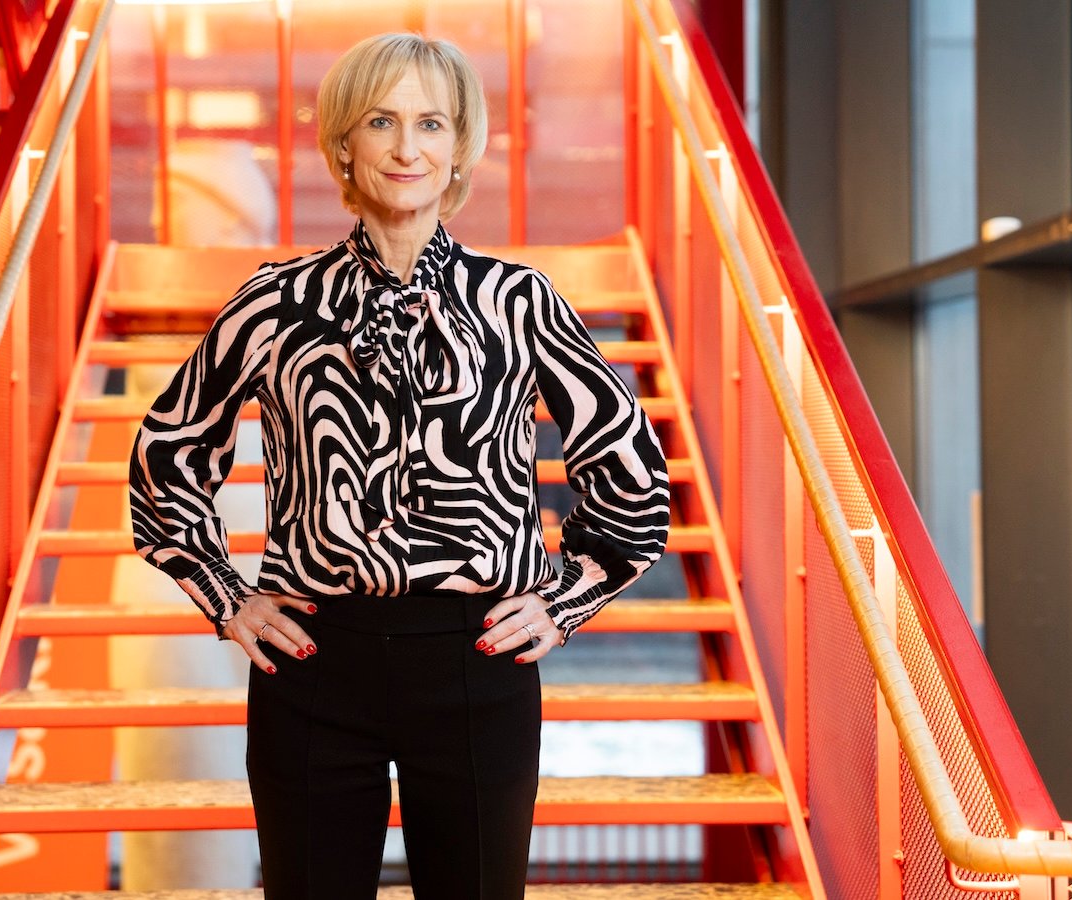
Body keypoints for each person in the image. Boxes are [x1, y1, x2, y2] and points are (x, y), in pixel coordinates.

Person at [127, 31, 672, 900]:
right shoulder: (275, 302)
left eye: (431, 123)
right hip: (313, 662)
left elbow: (631, 474)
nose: (407, 147)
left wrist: (565, 599)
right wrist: (228, 597)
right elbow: (168, 455)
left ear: (460, 147)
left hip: (475, 661)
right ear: (344, 143)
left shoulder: (518, 301)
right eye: (381, 121)